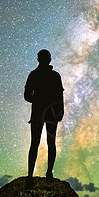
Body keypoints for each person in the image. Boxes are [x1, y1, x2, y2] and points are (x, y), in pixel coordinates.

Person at [24, 49, 64, 187]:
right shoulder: (36, 75)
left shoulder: (50, 76)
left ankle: (47, 173)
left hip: (48, 114)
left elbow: (59, 95)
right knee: (38, 144)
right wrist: (42, 100)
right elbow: (27, 95)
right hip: (44, 113)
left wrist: (60, 111)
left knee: (47, 143)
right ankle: (32, 176)